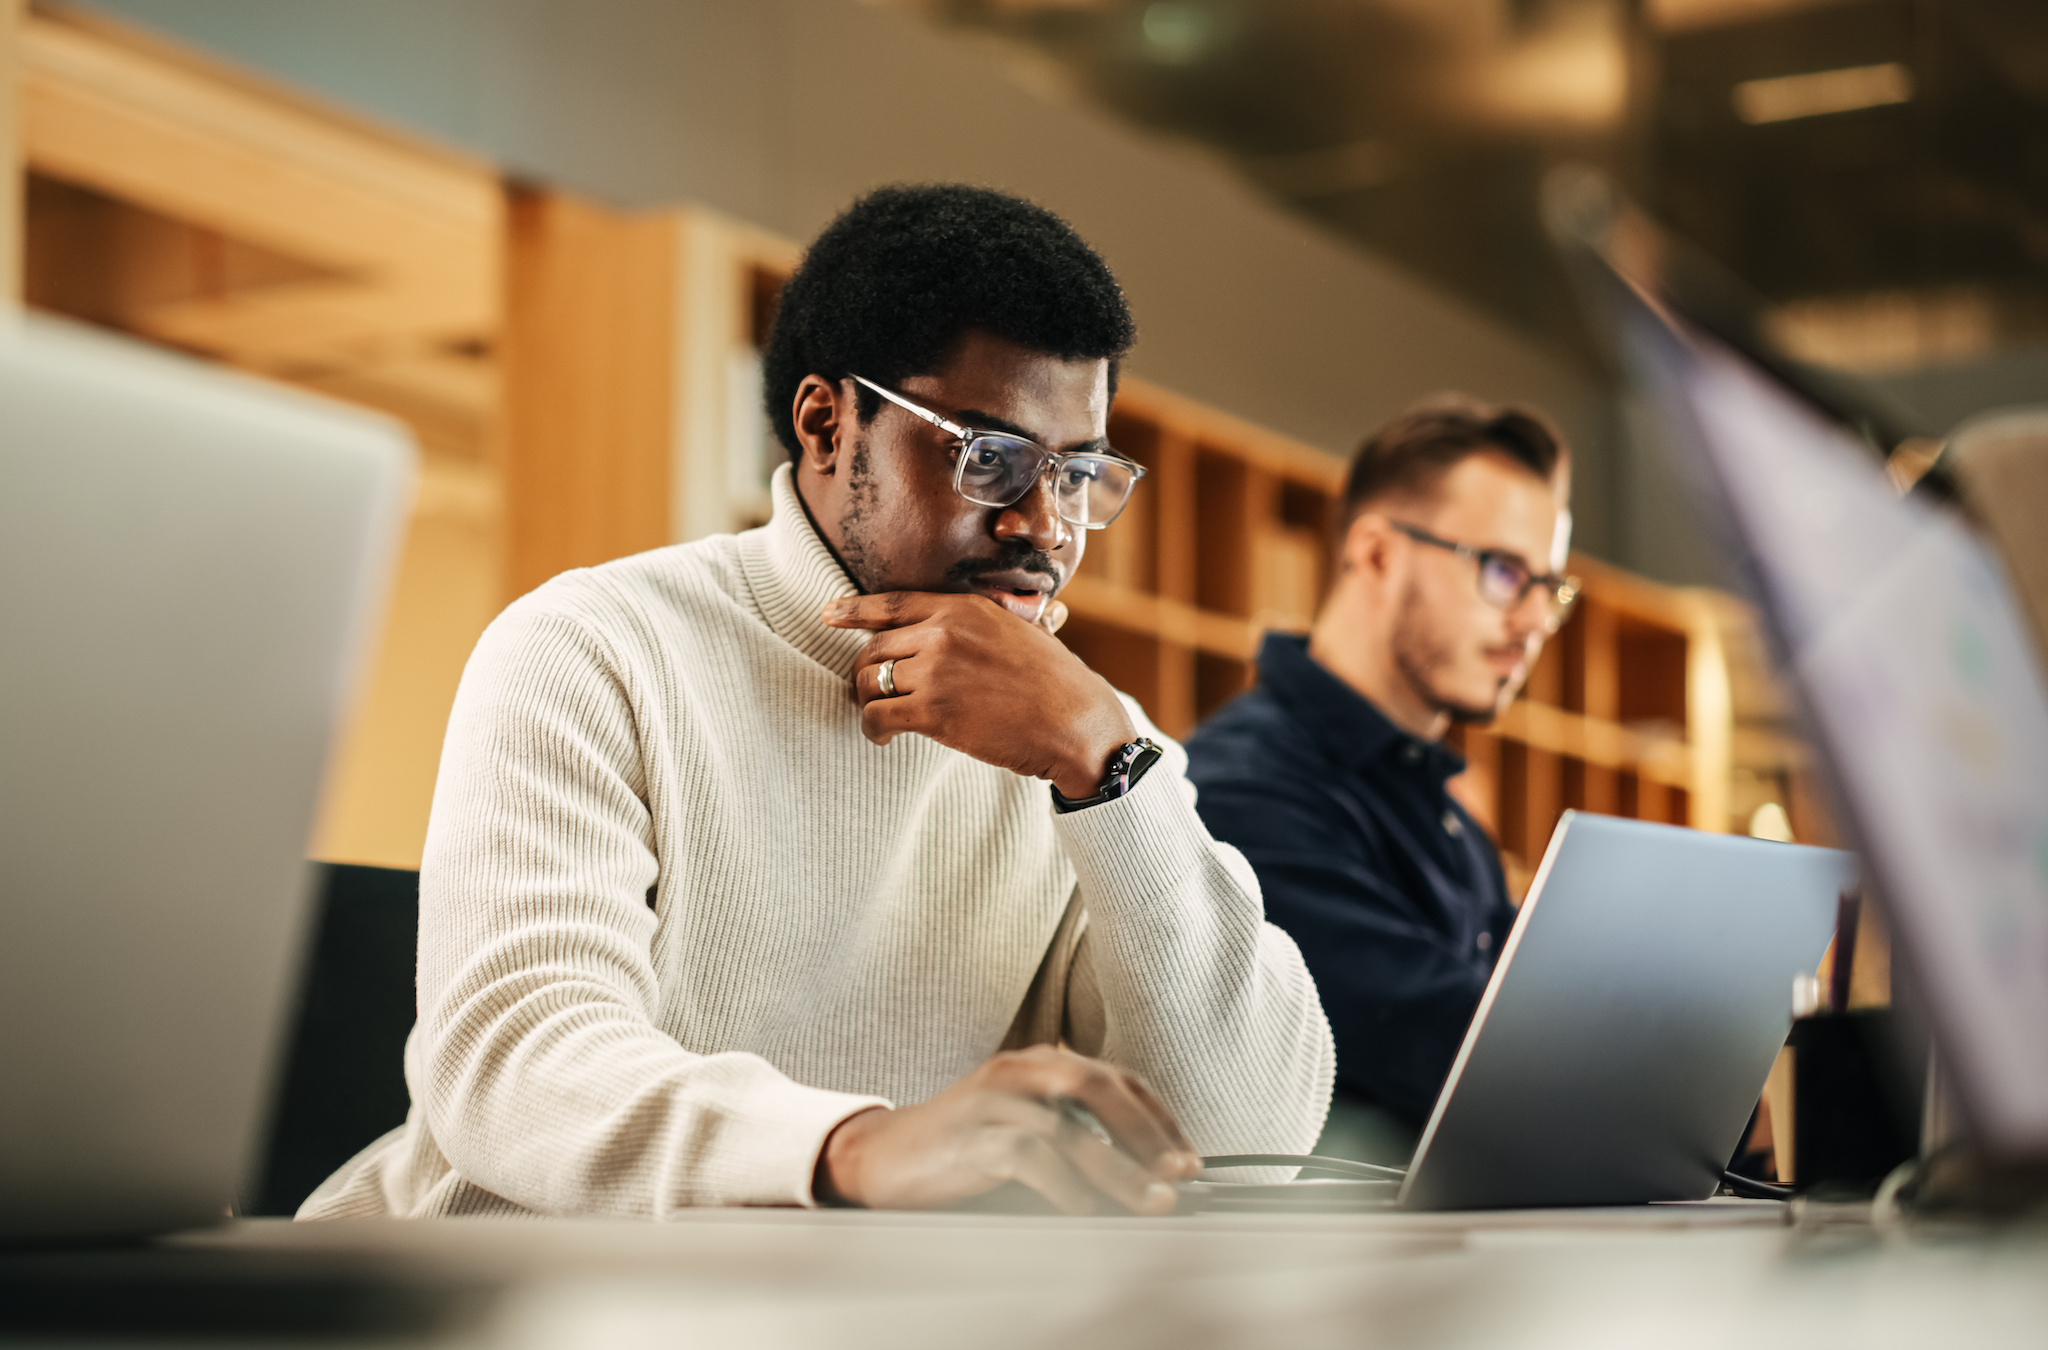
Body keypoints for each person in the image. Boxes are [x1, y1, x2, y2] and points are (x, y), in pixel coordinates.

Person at [300, 184, 1333, 1221]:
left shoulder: (1082, 743)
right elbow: (516, 1068)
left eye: (1075, 475)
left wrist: (1112, 767)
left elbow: (1250, 1139)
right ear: (828, 425)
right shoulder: (593, 647)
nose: (1046, 528)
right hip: (509, 1304)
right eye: (991, 460)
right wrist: (852, 1149)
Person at [1184, 396, 1574, 1163]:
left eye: (1549, 588)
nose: (1534, 623)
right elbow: (1460, 1052)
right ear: (1376, 554)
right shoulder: (1240, 788)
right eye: (1503, 572)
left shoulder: (1449, 818)